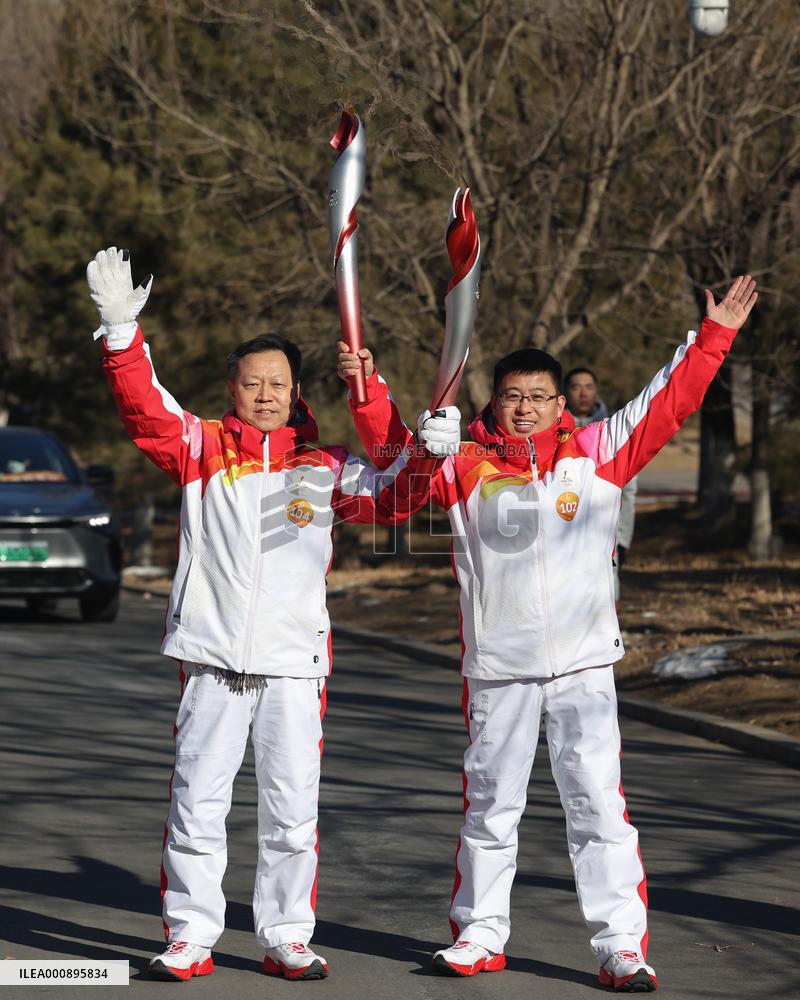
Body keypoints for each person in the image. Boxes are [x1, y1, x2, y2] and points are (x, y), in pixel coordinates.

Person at [342, 276, 758, 992]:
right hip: (499, 667)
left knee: (597, 806)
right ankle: (479, 934)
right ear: (493, 403)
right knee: (491, 806)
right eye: (513, 396)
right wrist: (373, 394)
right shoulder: (463, 464)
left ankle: (619, 945)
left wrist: (712, 336)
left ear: (561, 404)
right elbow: (394, 476)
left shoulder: (597, 453)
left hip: (583, 669)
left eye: (539, 397)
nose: (526, 408)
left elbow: (670, 402)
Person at [86, 247, 461, 983]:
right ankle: (191, 935)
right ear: (232, 388)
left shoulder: (324, 466)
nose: (265, 393)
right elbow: (144, 410)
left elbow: (396, 501)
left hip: (294, 664)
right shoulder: (200, 448)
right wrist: (124, 336)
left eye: (277, 384)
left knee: (291, 812)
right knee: (198, 803)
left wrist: (426, 455)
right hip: (215, 658)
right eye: (252, 382)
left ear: (296, 394)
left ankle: (286, 934)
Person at [565, 367, 638, 600]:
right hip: (562, 534)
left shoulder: (614, 430)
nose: (583, 393)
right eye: (576, 387)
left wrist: (623, 539)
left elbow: (628, 492)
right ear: (565, 394)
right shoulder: (552, 432)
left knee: (606, 596)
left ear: (597, 391)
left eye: (589, 387)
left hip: (604, 535)